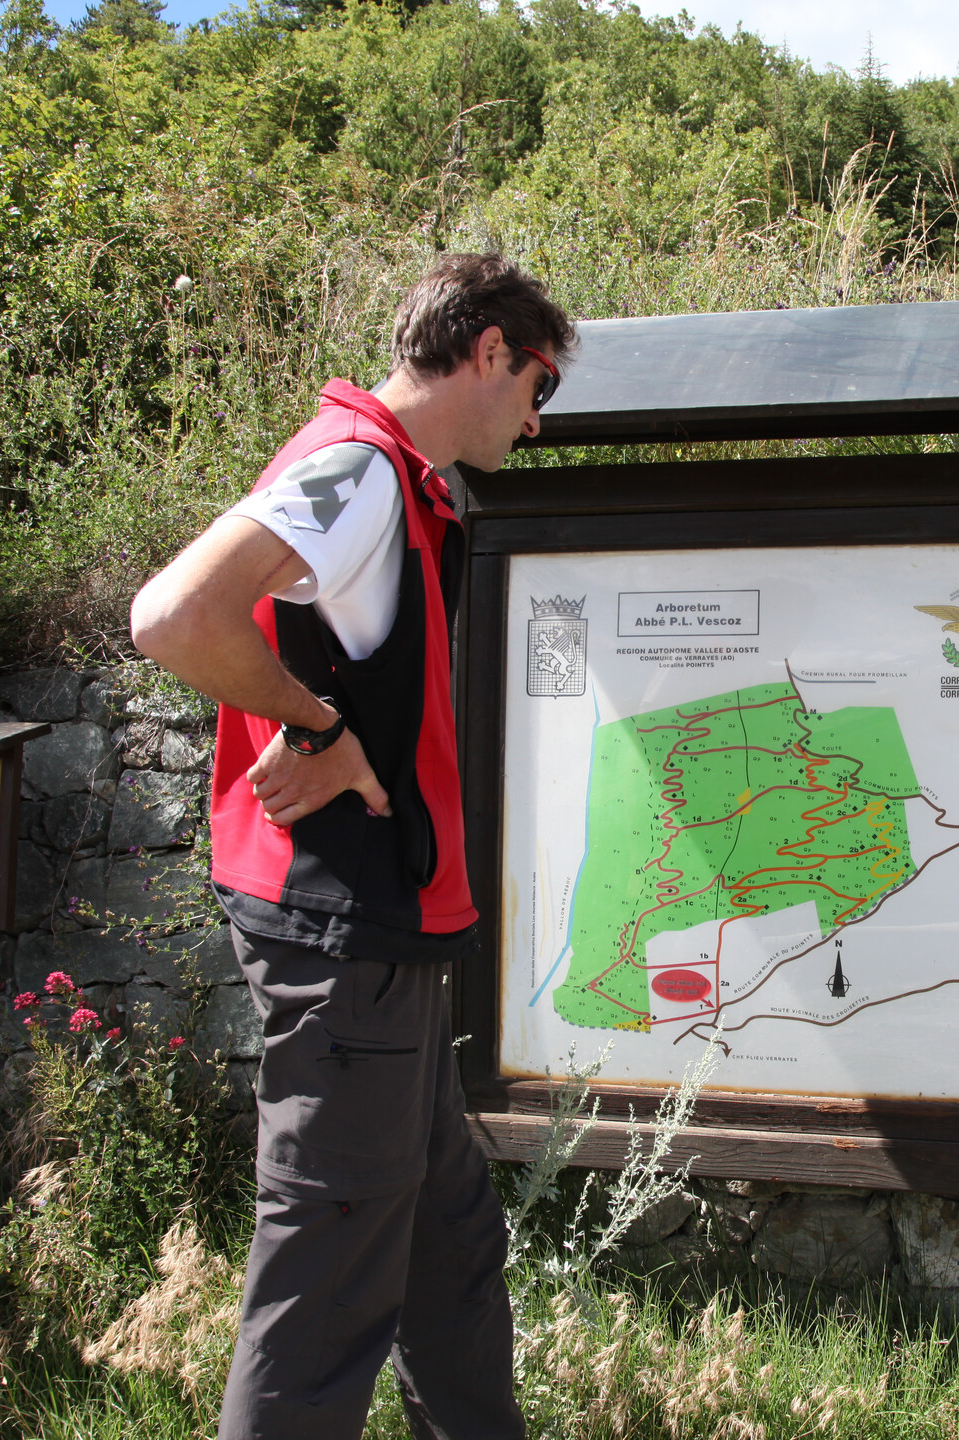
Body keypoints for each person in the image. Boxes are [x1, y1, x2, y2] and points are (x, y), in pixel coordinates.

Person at [130, 252, 575, 1440]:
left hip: (380, 940)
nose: (536, 421)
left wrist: (318, 722)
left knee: (448, 1239)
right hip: (344, 941)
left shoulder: (383, 475)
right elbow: (173, 617)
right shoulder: (360, 470)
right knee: (326, 1295)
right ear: (487, 348)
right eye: (539, 386)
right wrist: (317, 724)